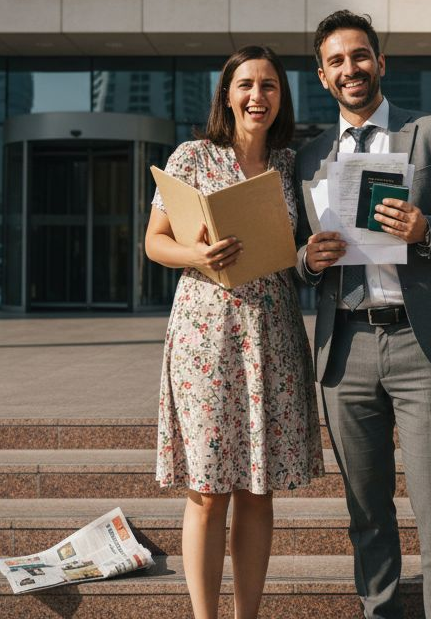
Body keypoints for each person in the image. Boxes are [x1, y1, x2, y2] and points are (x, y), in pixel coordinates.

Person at [295, 10, 431, 619]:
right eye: (336, 61)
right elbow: (294, 256)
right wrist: (307, 260)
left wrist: (427, 228)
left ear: (380, 62)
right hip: (346, 350)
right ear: (323, 76)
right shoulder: (309, 156)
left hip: (420, 344)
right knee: (365, 510)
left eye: (360, 56)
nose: (350, 69)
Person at [145, 46, 323, 619]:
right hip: (206, 338)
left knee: (257, 488)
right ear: (226, 94)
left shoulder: (292, 165)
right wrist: (196, 254)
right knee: (207, 489)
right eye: (245, 84)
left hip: (273, 335)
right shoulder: (193, 156)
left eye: (269, 85)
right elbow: (154, 241)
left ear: (281, 97)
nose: (257, 96)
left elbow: (299, 249)